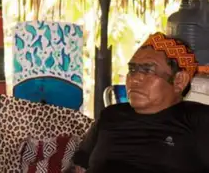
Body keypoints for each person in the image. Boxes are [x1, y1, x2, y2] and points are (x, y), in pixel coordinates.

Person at [69, 32, 209, 173]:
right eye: (132, 70)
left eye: (148, 70)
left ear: (179, 81)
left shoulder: (198, 120)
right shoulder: (111, 115)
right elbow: (79, 168)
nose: (134, 79)